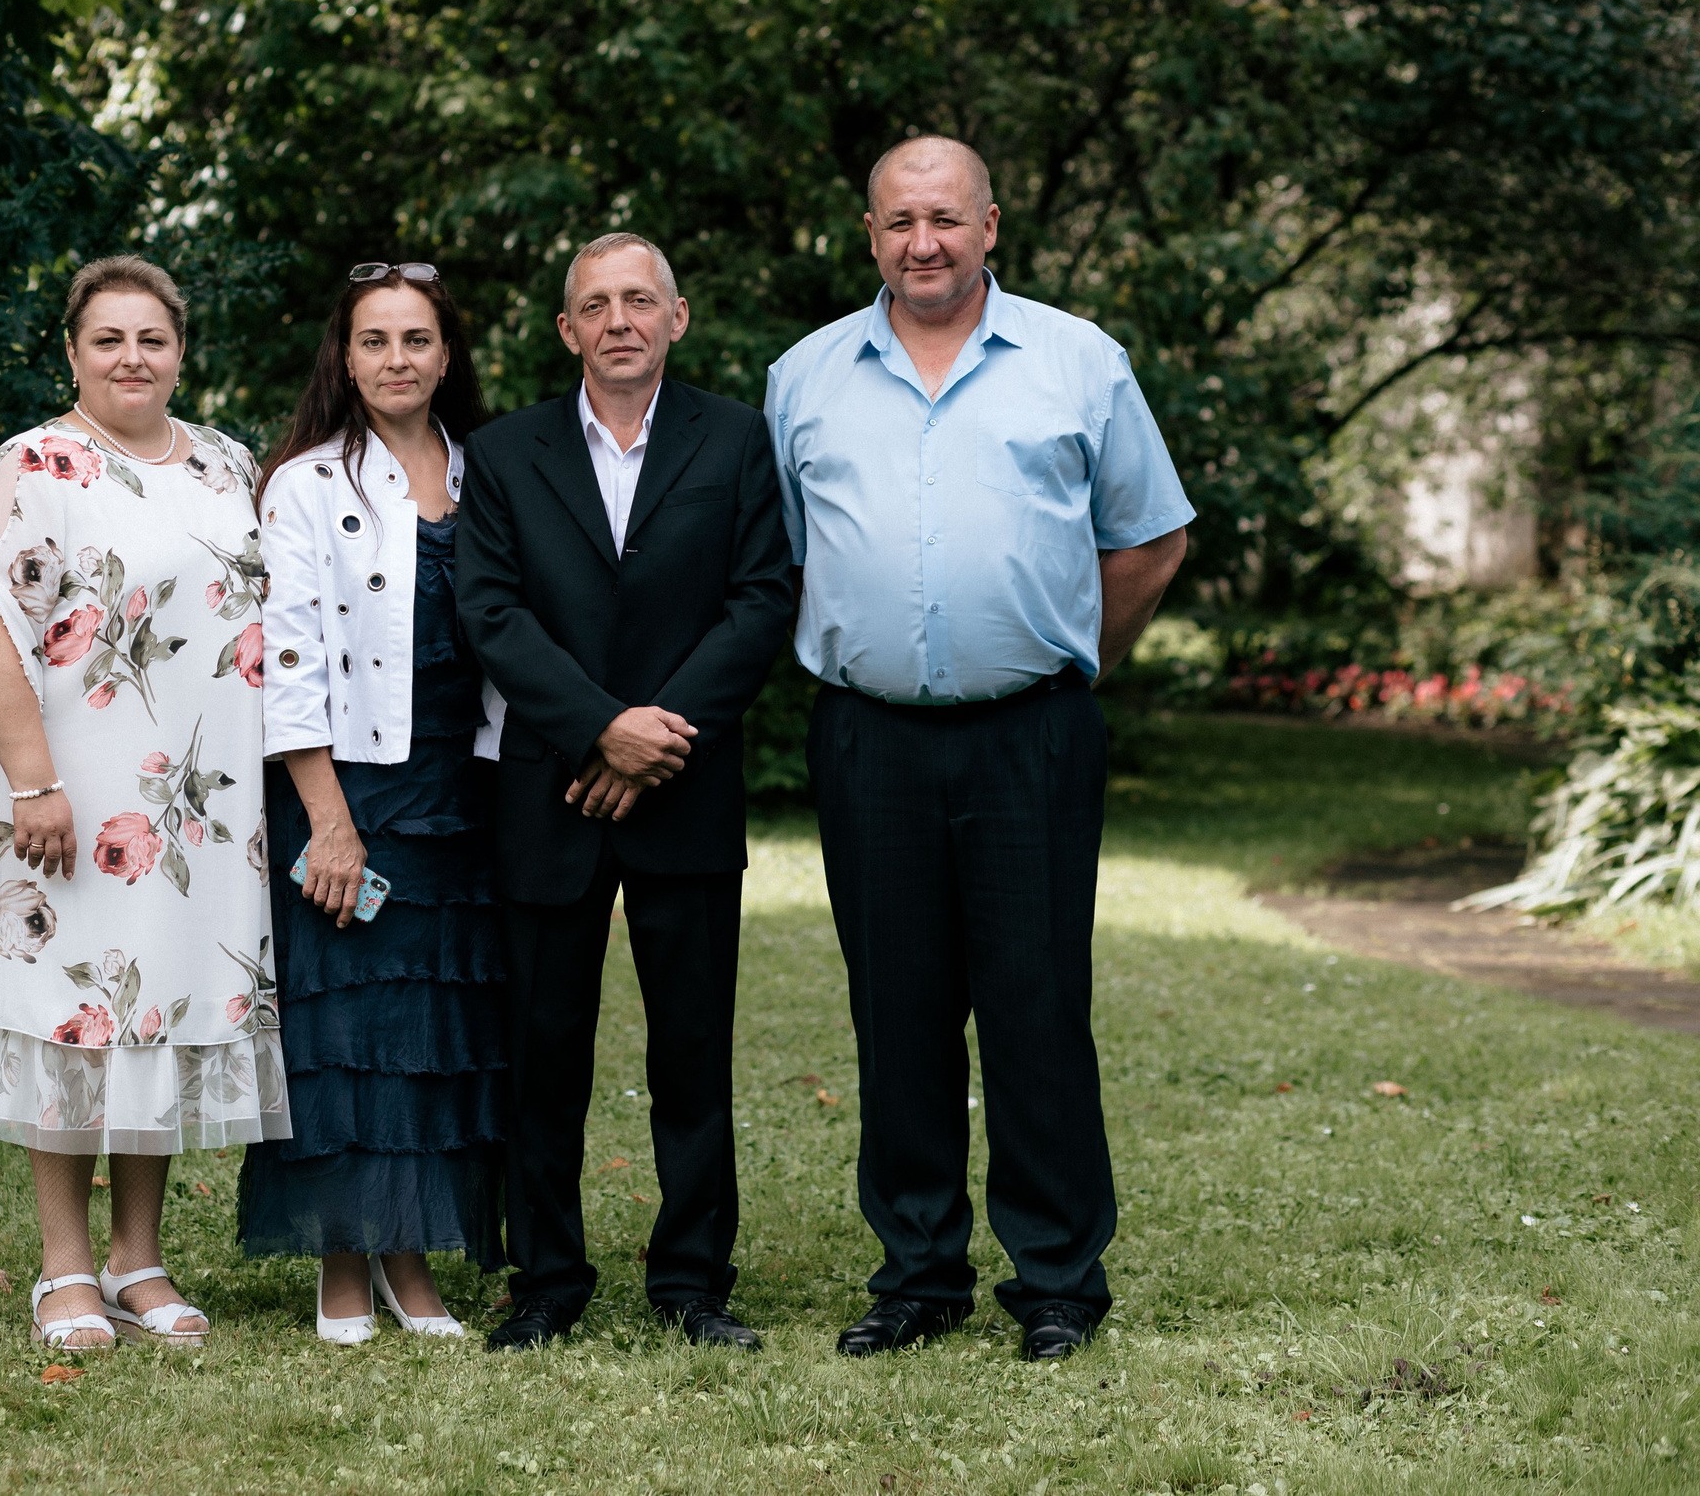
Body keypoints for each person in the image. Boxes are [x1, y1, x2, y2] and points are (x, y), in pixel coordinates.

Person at [765, 137, 1193, 1363]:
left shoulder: (1078, 361)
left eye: (945, 218)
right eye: (899, 222)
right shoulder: (805, 378)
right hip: (868, 740)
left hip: (1032, 738)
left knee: (1035, 1002)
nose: (924, 243)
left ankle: (1056, 1276)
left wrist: (1066, 655)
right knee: (894, 1009)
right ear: (869, 236)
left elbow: (1149, 538)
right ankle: (916, 1274)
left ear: (990, 224)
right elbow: (786, 557)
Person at [0, 254, 287, 1352]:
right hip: (68, 800)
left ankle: (141, 1259)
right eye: (108, 340)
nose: (132, 358)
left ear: (180, 349)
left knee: (162, 1009)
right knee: (73, 1016)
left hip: (201, 807)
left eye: (152, 339)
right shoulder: (34, 464)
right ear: (73, 353)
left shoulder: (229, 463)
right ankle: (64, 1270)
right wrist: (34, 780)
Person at [455, 232, 794, 1350]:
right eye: (595, 304)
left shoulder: (740, 442)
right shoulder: (503, 455)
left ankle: (692, 1281)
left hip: (686, 789)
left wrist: (657, 737)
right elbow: (491, 612)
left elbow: (760, 603)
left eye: (638, 300)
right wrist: (602, 729)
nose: (619, 321)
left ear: (676, 317)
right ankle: (545, 1279)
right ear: (567, 330)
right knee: (542, 1050)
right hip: (550, 790)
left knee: (691, 1051)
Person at [239, 262, 509, 1343]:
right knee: (344, 1024)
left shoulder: (488, 471)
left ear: (447, 355)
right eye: (373, 341)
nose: (396, 360)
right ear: (343, 359)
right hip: (345, 782)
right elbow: (288, 657)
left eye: (415, 340)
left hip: (463, 781)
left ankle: (410, 1253)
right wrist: (330, 820)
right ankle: (342, 1261)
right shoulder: (307, 482)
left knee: (430, 1026)